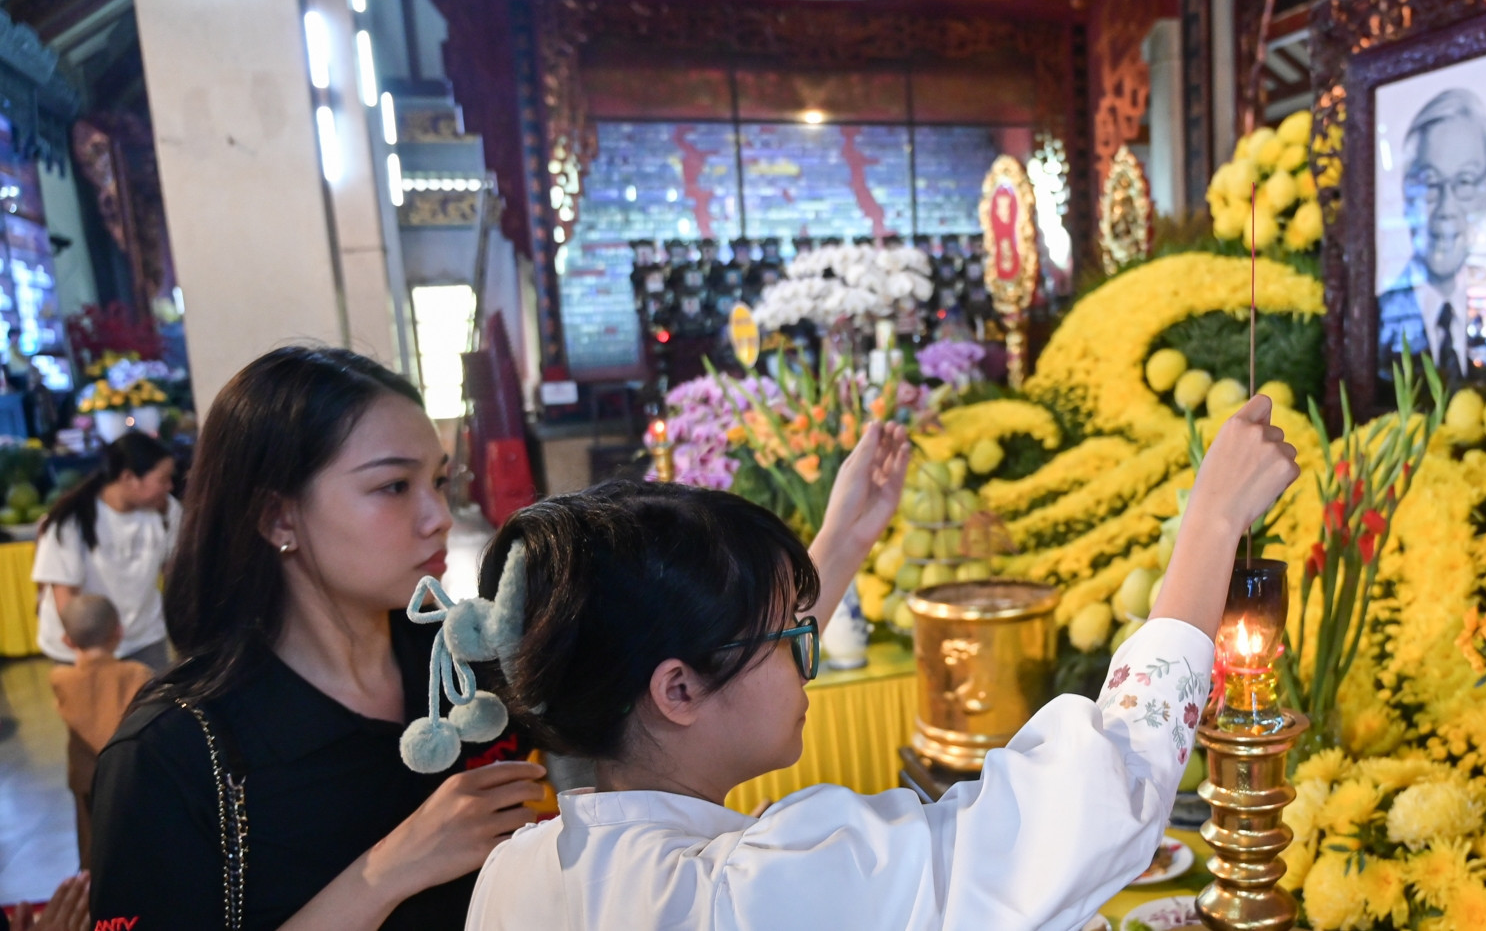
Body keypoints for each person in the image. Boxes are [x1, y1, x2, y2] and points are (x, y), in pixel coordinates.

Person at [86, 345, 908, 931]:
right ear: (277, 516)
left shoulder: (467, 671)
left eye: (439, 481)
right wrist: (387, 872)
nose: (437, 516)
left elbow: (708, 662)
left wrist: (842, 538)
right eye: (392, 487)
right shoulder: (174, 753)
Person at [462, 396, 1300, 930]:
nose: (809, 658)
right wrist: (1211, 526)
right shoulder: (755, 896)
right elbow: (1085, 806)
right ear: (676, 688)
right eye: (791, 639)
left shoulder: (516, 874)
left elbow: (735, 668)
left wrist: (844, 540)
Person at [1376, 88, 1486, 382]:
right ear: (1405, 193)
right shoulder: (1372, 318)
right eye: (1429, 182)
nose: (1446, 208)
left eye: (1465, 182)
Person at [32, 431, 179, 672]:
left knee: (155, 709)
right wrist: (90, 651)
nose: (169, 487)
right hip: (83, 646)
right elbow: (64, 596)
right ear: (129, 477)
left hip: (143, 638)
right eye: (162, 480)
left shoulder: (166, 510)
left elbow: (173, 570)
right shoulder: (72, 520)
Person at [49, 594, 153, 869]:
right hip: (131, 776)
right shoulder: (137, 674)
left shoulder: (61, 680)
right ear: (119, 631)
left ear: (67, 642)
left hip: (86, 780)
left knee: (92, 844)